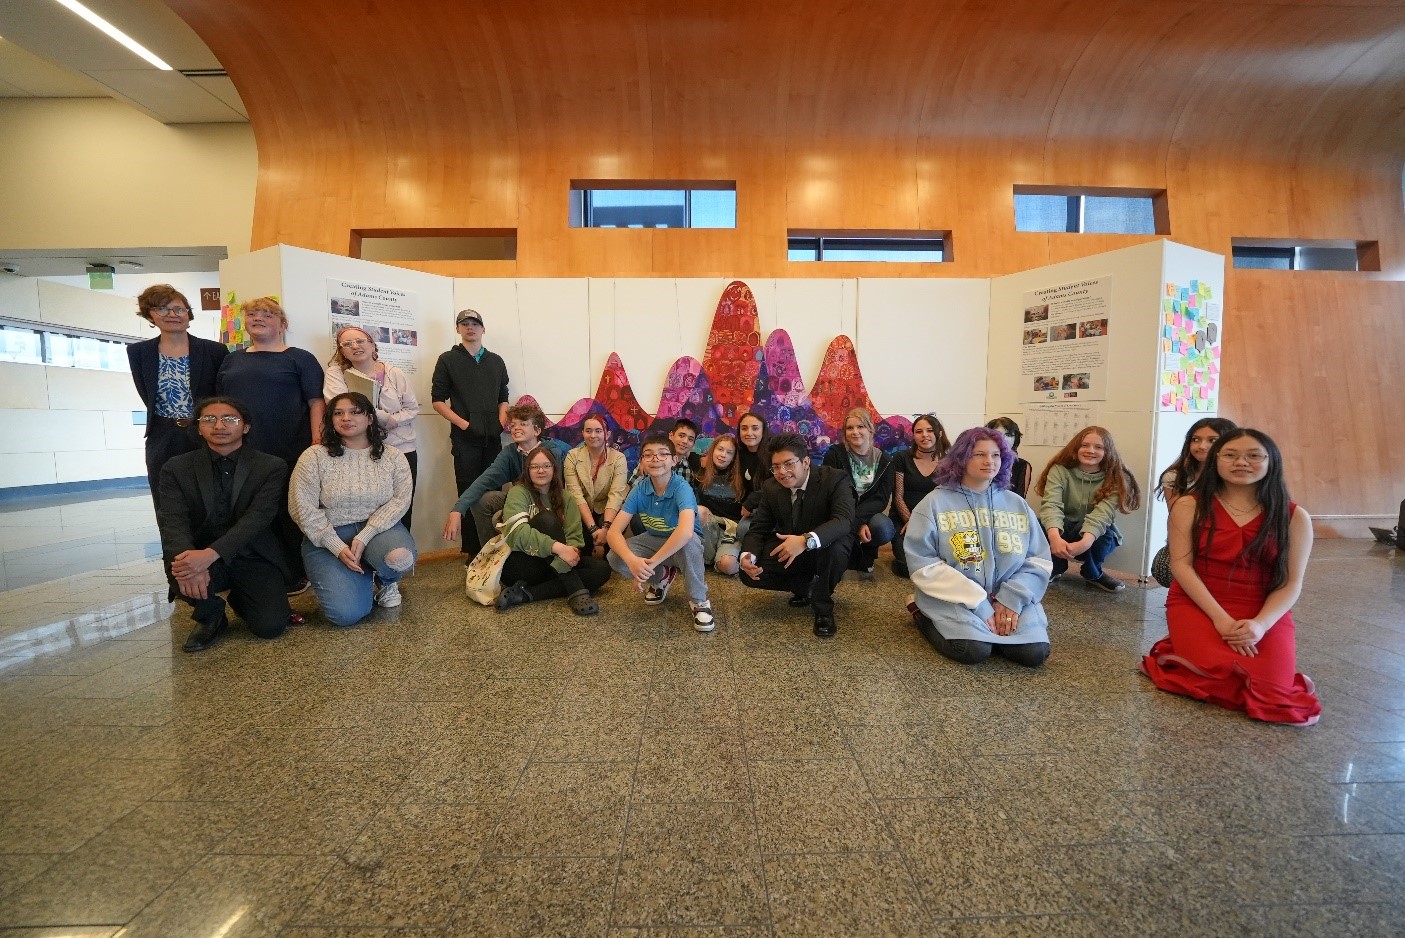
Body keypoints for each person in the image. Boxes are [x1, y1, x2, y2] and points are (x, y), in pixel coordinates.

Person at [1141, 429, 1320, 725]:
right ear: (1216, 461)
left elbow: (1291, 582)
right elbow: (1182, 567)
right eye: (1231, 455)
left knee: (1274, 693)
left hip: (1262, 608)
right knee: (1216, 676)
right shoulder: (1189, 505)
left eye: (1253, 456)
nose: (1242, 462)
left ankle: (1182, 651)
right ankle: (1182, 646)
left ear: (1271, 462)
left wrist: (1261, 625)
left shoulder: (1295, 517)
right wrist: (1220, 620)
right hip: (1198, 602)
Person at [905, 427, 1053, 666]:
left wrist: (1010, 599)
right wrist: (979, 603)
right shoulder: (934, 503)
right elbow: (923, 564)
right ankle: (919, 612)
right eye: (979, 455)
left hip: (1008, 595)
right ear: (962, 458)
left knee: (1033, 654)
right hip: (953, 596)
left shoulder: (1017, 504)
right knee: (972, 651)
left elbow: (1038, 560)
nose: (989, 462)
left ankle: (997, 623)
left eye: (996, 455)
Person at [155, 396, 292, 652]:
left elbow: (258, 517)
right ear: (198, 427)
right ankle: (211, 614)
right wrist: (189, 561)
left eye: (229, 419)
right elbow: (173, 521)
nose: (219, 425)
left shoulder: (270, 466)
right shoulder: (177, 468)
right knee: (179, 565)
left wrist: (211, 555)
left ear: (246, 426)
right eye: (209, 419)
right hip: (198, 552)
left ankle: (242, 596)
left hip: (253, 554)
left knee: (269, 626)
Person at [215, 296, 325, 588]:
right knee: (246, 511)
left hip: (289, 449)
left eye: (268, 314)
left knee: (289, 513)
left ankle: (296, 574)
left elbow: (316, 401)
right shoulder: (232, 359)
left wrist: (317, 440)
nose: (259, 318)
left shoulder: (300, 358)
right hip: (241, 452)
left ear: (282, 324)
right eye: (252, 314)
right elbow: (221, 405)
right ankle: (255, 573)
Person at [289, 392, 416, 627]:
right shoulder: (314, 456)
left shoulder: (393, 456)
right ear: (331, 420)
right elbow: (301, 508)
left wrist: (367, 534)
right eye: (338, 413)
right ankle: (361, 577)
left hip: (379, 532)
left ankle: (386, 580)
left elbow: (400, 500)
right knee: (345, 615)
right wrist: (335, 546)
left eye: (355, 412)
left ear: (369, 418)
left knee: (399, 559)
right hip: (329, 535)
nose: (346, 418)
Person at [739, 433, 855, 638]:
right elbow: (759, 528)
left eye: (789, 464)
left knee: (836, 549)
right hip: (792, 545)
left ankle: (823, 609)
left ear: (806, 462)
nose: (782, 472)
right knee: (748, 573)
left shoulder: (834, 479)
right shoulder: (771, 487)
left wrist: (806, 540)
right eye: (775, 467)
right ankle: (806, 587)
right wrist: (748, 555)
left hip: (825, 545)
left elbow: (843, 520)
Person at [127, 284, 227, 504]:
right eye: (163, 309)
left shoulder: (214, 351)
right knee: (166, 499)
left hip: (205, 432)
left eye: (179, 309)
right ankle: (172, 540)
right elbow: (147, 394)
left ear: (188, 314)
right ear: (150, 315)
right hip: (162, 435)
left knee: (208, 498)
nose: (172, 314)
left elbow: (221, 395)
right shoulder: (138, 353)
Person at [606, 433, 715, 631]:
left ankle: (700, 601)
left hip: (683, 544)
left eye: (663, 454)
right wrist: (632, 561)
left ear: (674, 460)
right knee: (615, 556)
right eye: (648, 455)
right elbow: (613, 532)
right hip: (654, 539)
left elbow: (685, 532)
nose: (655, 459)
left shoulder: (682, 488)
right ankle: (661, 577)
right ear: (642, 462)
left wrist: (651, 563)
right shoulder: (639, 488)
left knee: (690, 544)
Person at [323, 325, 422, 530]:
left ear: (372, 345)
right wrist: (386, 418)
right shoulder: (336, 373)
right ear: (341, 350)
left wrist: (392, 421)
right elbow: (339, 405)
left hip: (401, 448)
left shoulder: (394, 373)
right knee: (367, 507)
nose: (355, 346)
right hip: (360, 450)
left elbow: (412, 408)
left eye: (360, 341)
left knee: (403, 506)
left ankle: (401, 556)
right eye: (347, 344)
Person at [430, 308, 510, 556]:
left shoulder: (496, 361)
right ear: (458, 329)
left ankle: (498, 547)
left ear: (483, 329)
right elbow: (438, 401)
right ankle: (473, 551)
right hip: (465, 440)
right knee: (468, 491)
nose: (470, 327)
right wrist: (465, 425)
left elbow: (503, 396)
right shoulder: (448, 360)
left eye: (475, 323)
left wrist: (501, 421)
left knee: (495, 492)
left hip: (493, 438)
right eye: (464, 323)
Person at [495, 446, 612, 615]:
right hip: (523, 563)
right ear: (527, 470)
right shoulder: (518, 492)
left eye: (546, 466)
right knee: (546, 519)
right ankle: (575, 589)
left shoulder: (566, 497)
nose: (541, 470)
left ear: (554, 468)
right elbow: (516, 533)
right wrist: (559, 548)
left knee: (601, 570)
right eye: (535, 467)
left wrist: (567, 552)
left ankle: (526, 594)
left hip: (556, 564)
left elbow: (575, 538)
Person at [443, 401, 570, 552]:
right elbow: (484, 481)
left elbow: (555, 491)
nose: (516, 428)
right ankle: (492, 555)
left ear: (537, 430)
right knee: (482, 501)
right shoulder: (510, 452)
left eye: (523, 424)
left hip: (545, 504)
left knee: (501, 515)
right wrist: (457, 510)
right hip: (518, 500)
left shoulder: (551, 452)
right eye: (513, 424)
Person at [1035, 425, 1142, 592]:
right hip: (1063, 528)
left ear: (1107, 452)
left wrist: (1085, 543)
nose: (1090, 450)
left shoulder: (1116, 477)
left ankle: (1093, 573)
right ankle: (1055, 567)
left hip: (1092, 534)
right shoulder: (1059, 470)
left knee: (1105, 534)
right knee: (1038, 525)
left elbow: (1102, 515)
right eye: (1085, 445)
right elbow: (1051, 505)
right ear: (1076, 447)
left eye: (1098, 447)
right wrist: (1055, 538)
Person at [821, 407, 895, 577]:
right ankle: (844, 556)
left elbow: (881, 500)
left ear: (870, 429)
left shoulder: (886, 461)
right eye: (850, 428)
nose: (855, 432)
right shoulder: (834, 455)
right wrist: (855, 522)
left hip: (866, 514)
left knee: (883, 527)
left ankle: (865, 555)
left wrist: (856, 520)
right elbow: (829, 491)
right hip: (839, 510)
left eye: (860, 427)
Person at [889, 414, 951, 577]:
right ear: (913, 435)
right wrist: (912, 521)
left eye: (930, 430)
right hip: (904, 519)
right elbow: (898, 496)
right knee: (905, 567)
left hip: (936, 521)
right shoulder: (902, 457)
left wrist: (928, 524)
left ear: (939, 433)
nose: (924, 435)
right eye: (919, 431)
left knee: (947, 561)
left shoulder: (948, 461)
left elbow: (948, 498)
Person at [562, 414, 629, 558]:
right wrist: (593, 529)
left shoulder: (618, 458)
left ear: (607, 434)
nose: (593, 435)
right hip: (581, 508)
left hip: (606, 509)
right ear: (582, 433)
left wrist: (606, 528)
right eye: (588, 430)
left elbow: (615, 495)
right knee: (583, 548)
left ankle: (608, 553)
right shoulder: (572, 456)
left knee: (617, 522)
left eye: (598, 431)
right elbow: (576, 495)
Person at [692, 434, 746, 575]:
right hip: (709, 526)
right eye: (720, 449)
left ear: (734, 457)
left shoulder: (742, 476)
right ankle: (708, 557)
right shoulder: (701, 470)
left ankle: (722, 556)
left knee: (729, 567)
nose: (723, 455)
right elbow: (680, 453)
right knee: (699, 510)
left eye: (729, 452)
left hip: (731, 528)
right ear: (712, 450)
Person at [1157, 417, 1238, 509]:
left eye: (1212, 440)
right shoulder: (1175, 477)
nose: (1202, 446)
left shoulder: (1239, 476)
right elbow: (1177, 518)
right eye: (1196, 439)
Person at [985, 417, 1032, 498]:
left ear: (1015, 439)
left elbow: (1019, 500)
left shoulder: (1022, 465)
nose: (1003, 439)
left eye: (1008, 435)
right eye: (998, 434)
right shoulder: (981, 461)